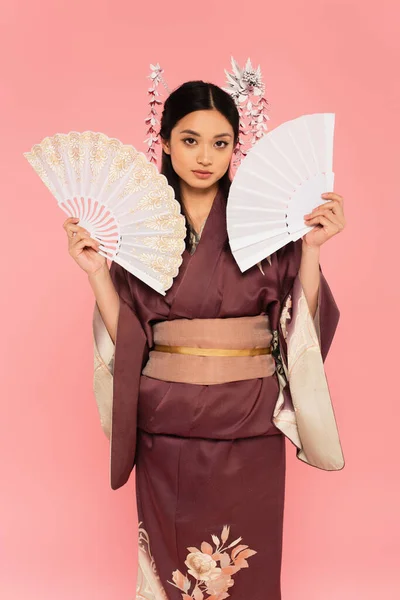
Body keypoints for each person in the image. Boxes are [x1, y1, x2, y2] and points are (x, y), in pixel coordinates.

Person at [63, 81, 346, 599]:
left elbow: (296, 324)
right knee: (177, 572)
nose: (205, 156)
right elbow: (131, 338)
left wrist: (310, 250)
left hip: (250, 418)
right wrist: (97, 274)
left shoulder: (264, 224)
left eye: (221, 143)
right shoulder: (139, 228)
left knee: (247, 569)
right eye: (189, 139)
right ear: (165, 142)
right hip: (167, 421)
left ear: (236, 147)